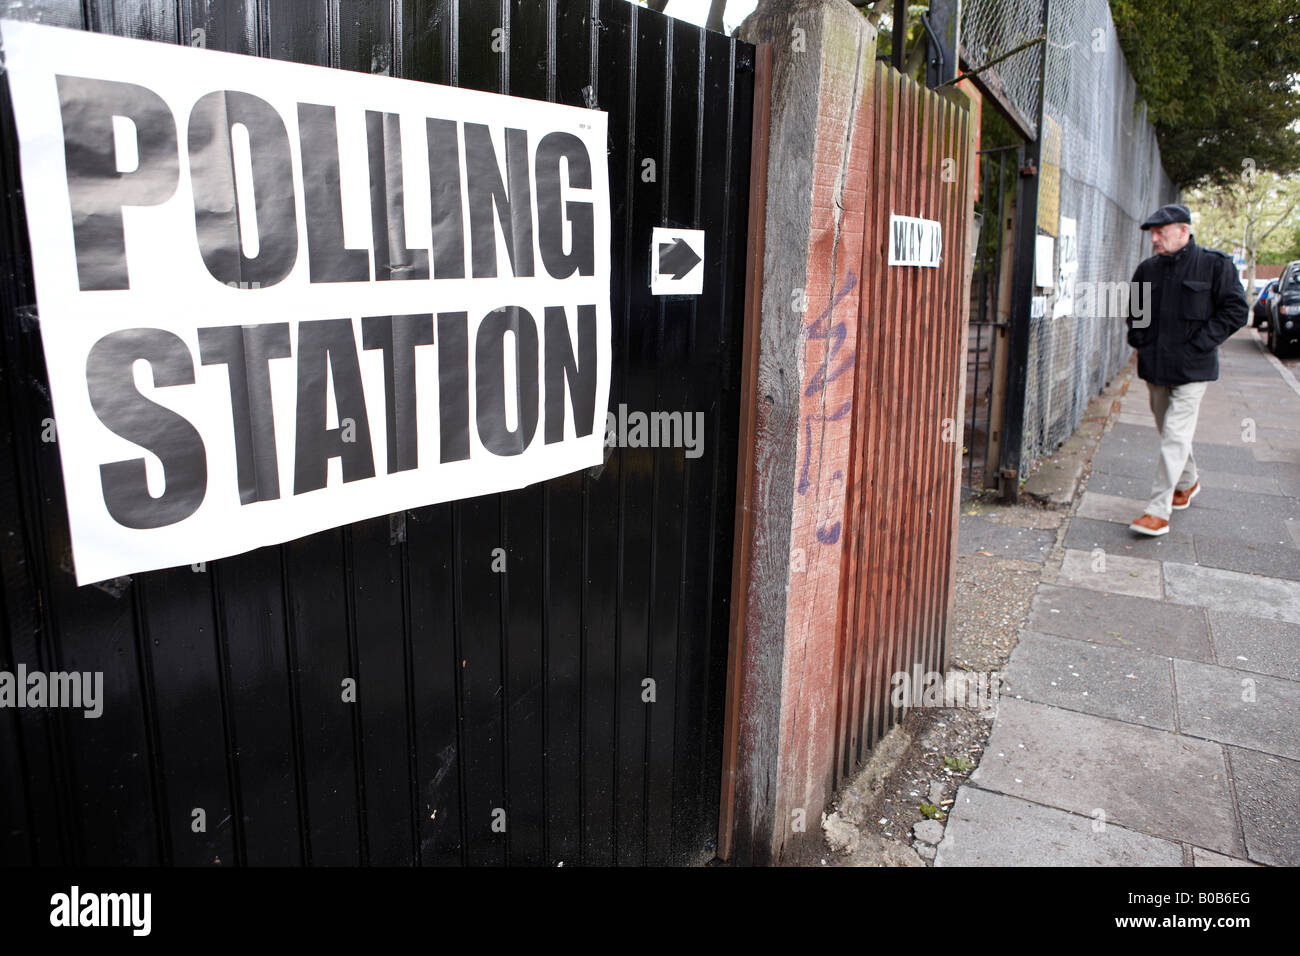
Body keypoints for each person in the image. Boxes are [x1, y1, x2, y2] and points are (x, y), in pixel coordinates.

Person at [1124, 203, 1248, 536]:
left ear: (1184, 231)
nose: (1155, 240)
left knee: (1175, 435)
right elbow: (1136, 313)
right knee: (1170, 433)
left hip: (1194, 369)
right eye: (1153, 234)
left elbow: (1236, 311)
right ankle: (1189, 482)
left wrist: (1200, 343)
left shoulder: (1214, 266)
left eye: (1161, 233)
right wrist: (1140, 342)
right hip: (1156, 368)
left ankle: (1157, 511)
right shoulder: (1147, 270)